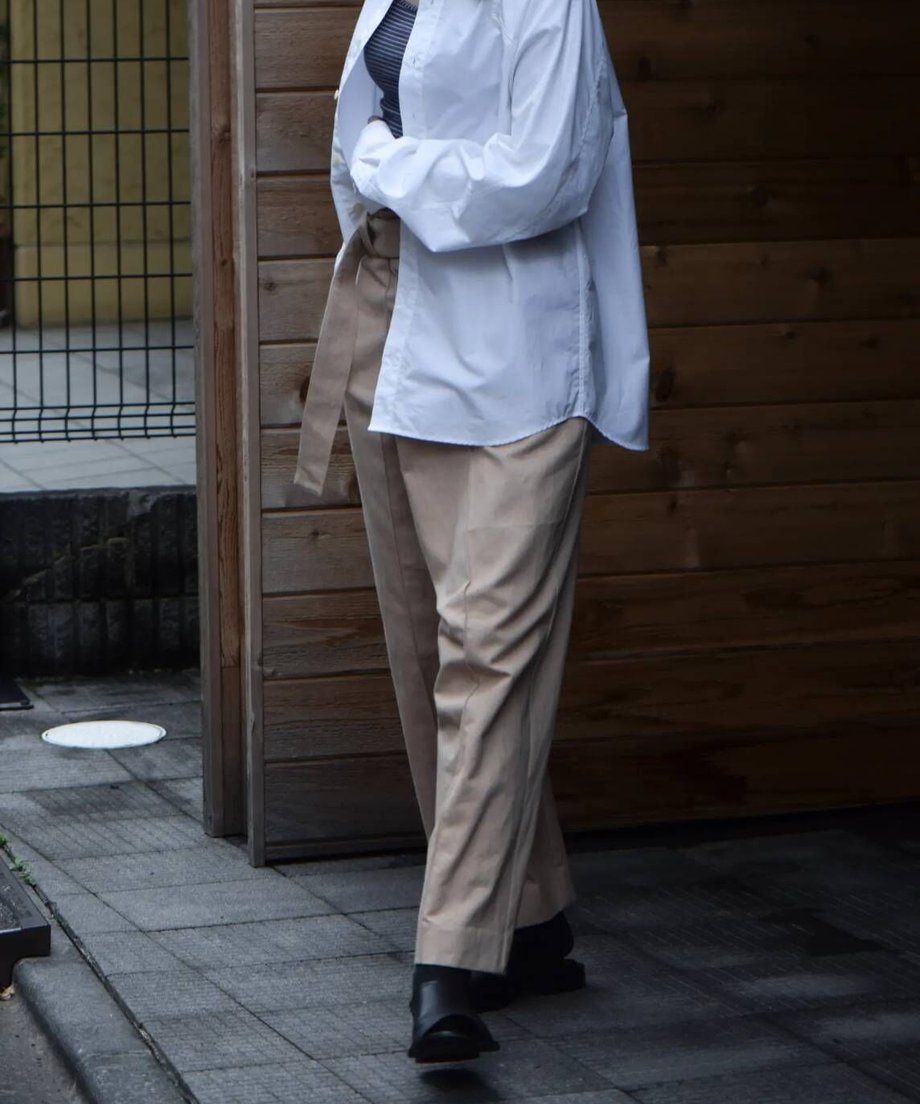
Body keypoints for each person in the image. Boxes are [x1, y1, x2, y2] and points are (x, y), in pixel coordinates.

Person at [293, 0, 649, 1065]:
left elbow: (542, 176)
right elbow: (354, 139)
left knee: (486, 651)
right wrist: (375, 176)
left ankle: (449, 961)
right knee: (423, 649)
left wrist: (389, 166)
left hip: (517, 357)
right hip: (392, 330)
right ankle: (529, 916)